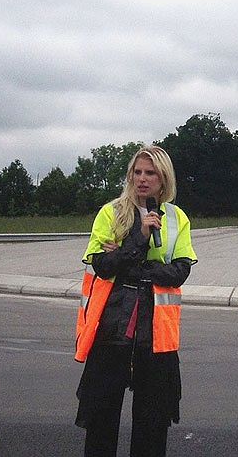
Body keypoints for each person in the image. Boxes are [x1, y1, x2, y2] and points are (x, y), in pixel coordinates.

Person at [75, 145, 197, 457]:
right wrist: (140, 238)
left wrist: (135, 263)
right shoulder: (111, 212)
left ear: (163, 178)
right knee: (101, 422)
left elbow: (180, 271)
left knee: (152, 425)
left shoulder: (177, 218)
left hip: (156, 334)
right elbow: (102, 265)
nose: (142, 179)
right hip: (113, 328)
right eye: (137, 172)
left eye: (150, 173)